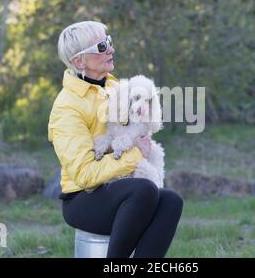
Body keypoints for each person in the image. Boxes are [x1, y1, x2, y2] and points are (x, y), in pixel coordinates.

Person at [48, 21, 183, 258]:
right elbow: (84, 175)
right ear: (79, 61)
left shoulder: (115, 87)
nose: (110, 49)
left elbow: (139, 129)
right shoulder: (67, 107)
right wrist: (134, 155)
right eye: (101, 46)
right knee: (143, 190)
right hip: (83, 199)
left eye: (108, 42)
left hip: (120, 187)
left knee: (171, 200)